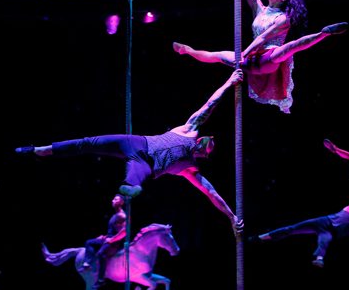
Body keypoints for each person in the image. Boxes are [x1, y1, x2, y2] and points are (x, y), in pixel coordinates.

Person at [15, 69, 245, 234]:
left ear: (203, 155)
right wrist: (229, 82)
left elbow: (212, 194)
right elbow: (210, 104)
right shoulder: (189, 130)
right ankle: (42, 150)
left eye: (207, 147)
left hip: (145, 164)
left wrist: (232, 218)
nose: (205, 142)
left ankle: (125, 195)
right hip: (137, 144)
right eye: (207, 140)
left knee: (134, 182)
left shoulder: (190, 170)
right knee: (90, 142)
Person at [173, 0, 348, 114]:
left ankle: (323, 33)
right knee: (218, 55)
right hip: (251, 59)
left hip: (269, 58)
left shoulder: (282, 19)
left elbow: (262, 38)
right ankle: (188, 51)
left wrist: (243, 54)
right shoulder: (260, 9)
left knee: (290, 47)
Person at [248, 174, 349, 268]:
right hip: (322, 222)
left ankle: (319, 258)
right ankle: (261, 237)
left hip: (329, 232)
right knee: (291, 229)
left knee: (325, 241)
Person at [81, 194, 127, 289]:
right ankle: (87, 264)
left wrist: (111, 240)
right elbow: (114, 231)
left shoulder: (122, 215)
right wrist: (104, 237)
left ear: (121, 202)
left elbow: (124, 232)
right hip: (108, 240)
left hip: (114, 243)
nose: (112, 201)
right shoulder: (115, 215)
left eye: (115, 199)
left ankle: (101, 280)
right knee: (89, 242)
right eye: (113, 199)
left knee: (101, 253)